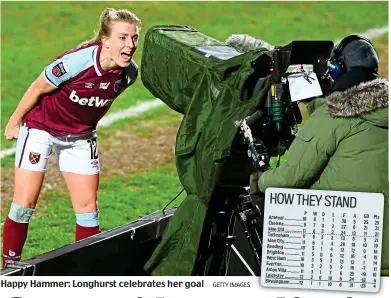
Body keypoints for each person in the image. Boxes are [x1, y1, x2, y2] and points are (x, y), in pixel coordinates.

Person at [2, 7, 141, 267]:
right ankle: (9, 269)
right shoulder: (76, 63)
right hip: (41, 130)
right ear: (105, 40)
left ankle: (85, 273)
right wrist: (14, 121)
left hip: (80, 138)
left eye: (134, 38)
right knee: (23, 205)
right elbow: (38, 86)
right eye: (123, 37)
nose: (130, 44)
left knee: (88, 210)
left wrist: (84, 126)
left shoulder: (129, 74)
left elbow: (100, 102)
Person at [251, 35, 389, 275]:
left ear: (336, 71)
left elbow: (291, 178)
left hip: (351, 258)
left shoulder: (334, 117)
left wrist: (260, 178)